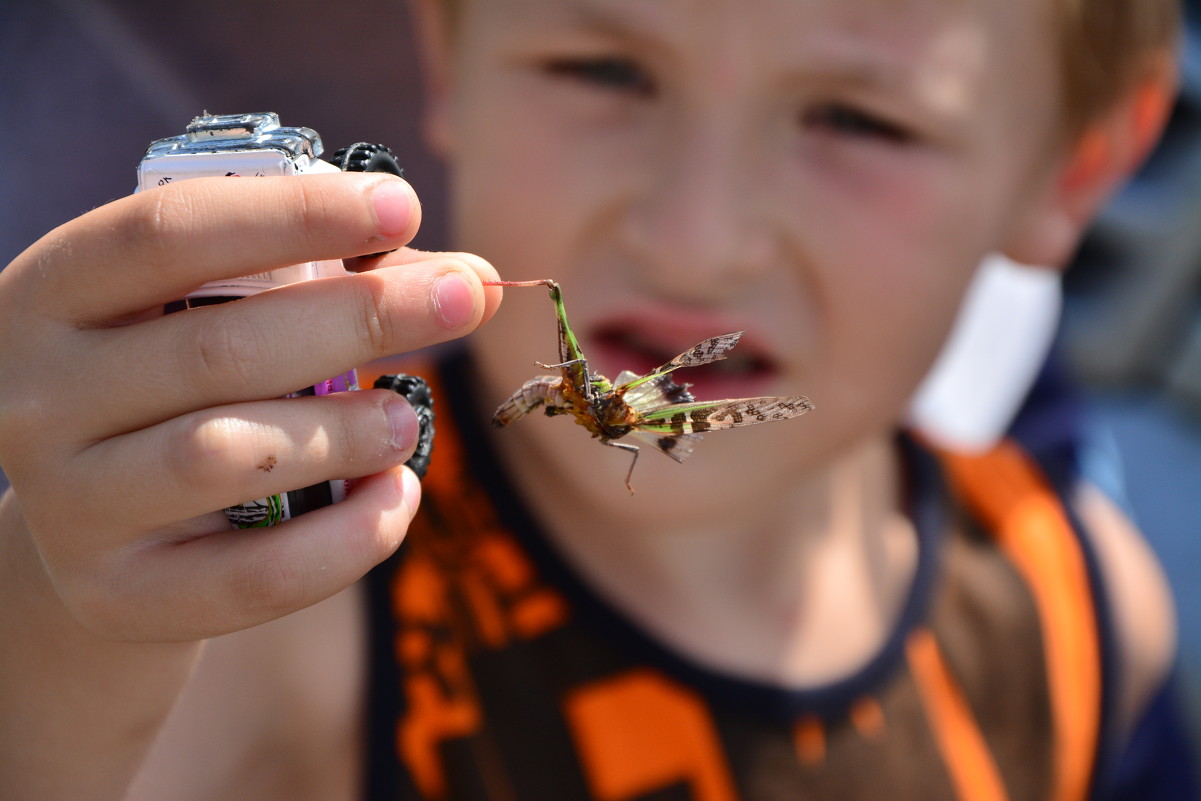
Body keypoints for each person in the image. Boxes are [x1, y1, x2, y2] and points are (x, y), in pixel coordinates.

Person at [0, 1, 1194, 800]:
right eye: (603, 67)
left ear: (1076, 165)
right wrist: (68, 589)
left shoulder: (1082, 609)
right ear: (445, 47)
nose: (694, 239)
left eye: (858, 119)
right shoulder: (310, 584)